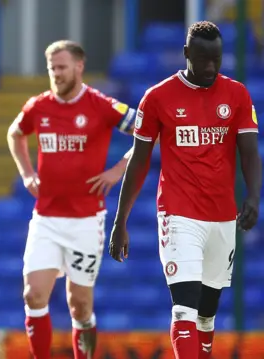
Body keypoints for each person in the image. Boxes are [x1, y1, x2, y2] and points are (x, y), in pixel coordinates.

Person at [109, 21, 261, 359]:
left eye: (216, 60)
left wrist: (252, 196)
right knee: (184, 308)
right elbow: (139, 162)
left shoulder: (236, 95)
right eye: (203, 59)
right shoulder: (158, 98)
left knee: (207, 313)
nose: (210, 67)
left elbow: (249, 151)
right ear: (186, 54)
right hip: (178, 214)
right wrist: (121, 222)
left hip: (222, 215)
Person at [7, 40, 136, 359]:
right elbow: (15, 133)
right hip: (47, 219)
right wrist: (26, 172)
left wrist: (119, 169)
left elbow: (148, 130)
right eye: (52, 68)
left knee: (79, 305)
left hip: (86, 222)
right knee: (33, 295)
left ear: (79, 66)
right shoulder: (39, 106)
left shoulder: (101, 105)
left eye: (62, 67)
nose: (56, 74)